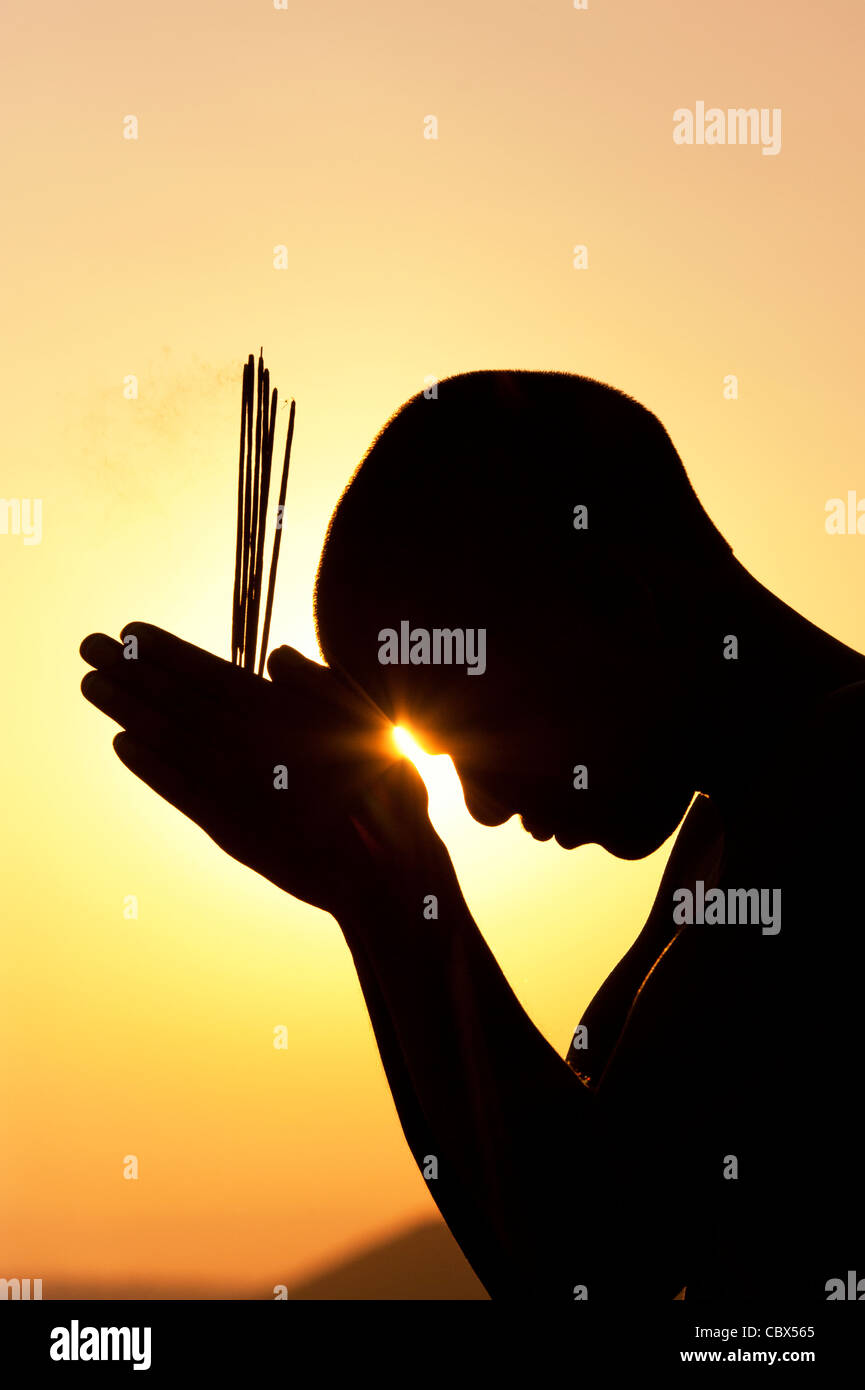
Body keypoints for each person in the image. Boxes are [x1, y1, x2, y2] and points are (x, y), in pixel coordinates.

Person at [80, 370, 865, 1301]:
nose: (484, 806)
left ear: (619, 603)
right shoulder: (738, 822)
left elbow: (603, 1266)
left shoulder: (846, 781)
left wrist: (396, 894)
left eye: (480, 732)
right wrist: (368, 894)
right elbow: (542, 1251)